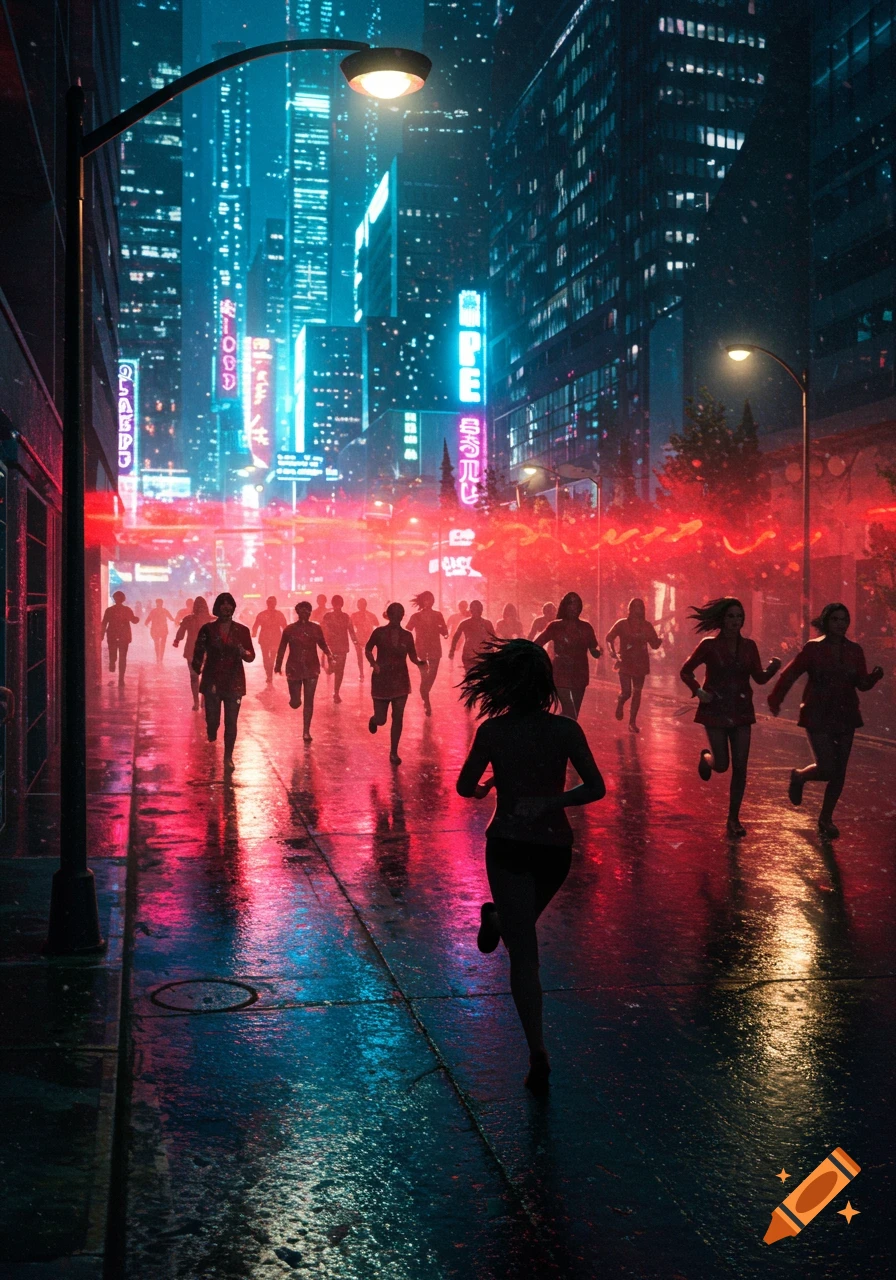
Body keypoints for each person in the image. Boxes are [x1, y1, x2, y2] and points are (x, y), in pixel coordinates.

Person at [456, 640, 605, 1095]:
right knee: (525, 941)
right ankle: (538, 1053)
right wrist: (554, 801)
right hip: (554, 849)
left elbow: (465, 786)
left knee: (524, 952)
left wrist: (486, 788)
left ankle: (536, 1050)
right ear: (546, 683)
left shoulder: (493, 732)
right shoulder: (565, 730)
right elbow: (595, 787)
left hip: (507, 846)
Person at [768, 602, 884, 839]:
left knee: (839, 771)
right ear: (826, 621)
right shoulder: (813, 648)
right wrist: (776, 697)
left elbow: (861, 684)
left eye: (844, 620)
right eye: (835, 620)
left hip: (846, 714)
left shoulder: (855, 650)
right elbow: (791, 673)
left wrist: (874, 677)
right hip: (817, 713)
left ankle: (826, 818)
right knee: (828, 767)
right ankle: (800, 776)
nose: (840, 624)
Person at [679, 597, 781, 840]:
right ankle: (707, 758)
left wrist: (773, 668)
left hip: (741, 710)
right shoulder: (709, 645)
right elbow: (686, 670)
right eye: (731, 616)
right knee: (722, 764)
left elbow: (759, 678)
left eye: (739, 616)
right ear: (722, 619)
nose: (736, 621)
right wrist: (698, 690)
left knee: (741, 767)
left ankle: (733, 818)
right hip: (715, 709)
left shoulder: (749, 647)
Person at [191, 592, 255, 771]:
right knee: (213, 719)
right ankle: (212, 729)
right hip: (212, 680)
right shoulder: (207, 629)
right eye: (223, 604)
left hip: (234, 682)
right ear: (217, 608)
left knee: (231, 722)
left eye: (229, 604)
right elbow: (198, 650)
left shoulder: (242, 631)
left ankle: (228, 757)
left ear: (233, 607)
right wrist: (197, 667)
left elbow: (251, 656)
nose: (226, 607)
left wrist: (244, 653)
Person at [365, 602, 428, 764]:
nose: (397, 617)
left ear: (402, 616)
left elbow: (413, 656)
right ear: (389, 615)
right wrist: (373, 663)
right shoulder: (378, 632)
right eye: (394, 614)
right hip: (381, 679)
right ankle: (374, 720)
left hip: (400, 680)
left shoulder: (407, 635)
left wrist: (420, 663)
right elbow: (367, 649)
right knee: (382, 719)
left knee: (398, 716)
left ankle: (393, 752)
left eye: (400, 614)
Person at [535, 592, 602, 720]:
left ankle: (560, 733)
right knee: (569, 710)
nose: (574, 607)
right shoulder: (555, 626)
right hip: (560, 673)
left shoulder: (586, 627)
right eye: (571, 603)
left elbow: (594, 648)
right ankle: (554, 727)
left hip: (580, 674)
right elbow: (537, 643)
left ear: (580, 607)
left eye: (577, 604)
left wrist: (598, 652)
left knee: (573, 715)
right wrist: (541, 663)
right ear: (565, 606)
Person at [275, 600, 333, 741]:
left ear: (310, 612)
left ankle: (306, 731)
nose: (304, 613)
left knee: (309, 700)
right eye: (302, 611)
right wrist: (278, 665)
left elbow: (323, 644)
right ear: (297, 612)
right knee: (296, 703)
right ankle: (294, 699)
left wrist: (330, 656)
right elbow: (282, 648)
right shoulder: (289, 630)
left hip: (312, 667)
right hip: (294, 668)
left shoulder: (315, 628)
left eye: (307, 611)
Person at [606, 598, 663, 733]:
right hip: (625, 662)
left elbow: (654, 645)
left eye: (640, 607)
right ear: (630, 609)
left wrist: (659, 640)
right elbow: (609, 638)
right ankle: (621, 701)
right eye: (635, 606)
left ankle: (632, 722)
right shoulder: (622, 624)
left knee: (637, 692)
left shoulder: (647, 626)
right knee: (627, 692)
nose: (637, 609)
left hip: (641, 664)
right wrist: (612, 652)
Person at [407, 590, 449, 716]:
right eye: (426, 599)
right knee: (425, 675)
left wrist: (443, 631)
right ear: (422, 601)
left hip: (435, 648)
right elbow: (408, 630)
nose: (429, 601)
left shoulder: (438, 615)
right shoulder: (416, 616)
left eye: (431, 599)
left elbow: (444, 630)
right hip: (420, 649)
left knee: (433, 673)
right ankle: (426, 701)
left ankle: (423, 691)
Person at [173, 596, 211, 710]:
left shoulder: (188, 619)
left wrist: (177, 641)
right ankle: (204, 699)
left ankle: (196, 702)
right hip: (208, 652)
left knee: (194, 677)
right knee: (207, 676)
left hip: (191, 650)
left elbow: (181, 632)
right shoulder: (212, 620)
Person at [321, 595, 357, 703]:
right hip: (331, 647)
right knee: (332, 669)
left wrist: (355, 642)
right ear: (333, 604)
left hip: (342, 647)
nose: (337, 606)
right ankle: (328, 669)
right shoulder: (327, 616)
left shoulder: (346, 617)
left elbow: (351, 630)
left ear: (342, 605)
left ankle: (336, 692)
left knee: (340, 670)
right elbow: (323, 630)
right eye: (335, 604)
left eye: (339, 604)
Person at [100, 591, 139, 686]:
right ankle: (121, 678)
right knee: (122, 657)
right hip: (123, 636)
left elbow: (104, 623)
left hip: (113, 635)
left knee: (113, 653)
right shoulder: (127, 610)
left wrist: (101, 634)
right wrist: (136, 619)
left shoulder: (109, 610)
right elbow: (133, 620)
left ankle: (112, 662)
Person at [448, 600, 498, 672]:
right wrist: (452, 650)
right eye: (474, 610)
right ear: (471, 610)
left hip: (482, 654)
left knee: (477, 677)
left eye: (477, 610)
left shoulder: (487, 623)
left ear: (481, 610)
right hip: (470, 655)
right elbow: (456, 637)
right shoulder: (465, 623)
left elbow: (494, 638)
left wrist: (493, 651)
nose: (476, 612)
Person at [252, 596, 288, 686]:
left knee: (270, 658)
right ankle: (269, 674)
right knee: (267, 658)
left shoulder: (268, 614)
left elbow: (284, 626)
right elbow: (256, 625)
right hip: (268, 639)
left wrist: (254, 633)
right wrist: (254, 633)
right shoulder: (269, 614)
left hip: (272, 639)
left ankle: (269, 674)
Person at [351, 598, 379, 679]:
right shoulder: (371, 615)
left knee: (360, 657)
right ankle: (371, 668)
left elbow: (351, 626)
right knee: (368, 654)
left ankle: (362, 673)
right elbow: (377, 624)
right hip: (367, 637)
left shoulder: (355, 615)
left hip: (360, 637)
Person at [145, 598, 175, 665]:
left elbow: (147, 621)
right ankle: (160, 658)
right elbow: (171, 618)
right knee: (162, 645)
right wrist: (177, 621)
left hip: (156, 630)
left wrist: (147, 625)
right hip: (163, 630)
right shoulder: (164, 611)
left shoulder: (153, 611)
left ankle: (158, 657)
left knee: (157, 644)